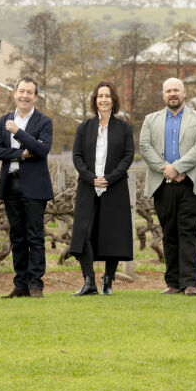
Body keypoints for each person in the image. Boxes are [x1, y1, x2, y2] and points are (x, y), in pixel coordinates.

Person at [139, 78, 196, 296]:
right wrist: (166, 170)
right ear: (163, 94)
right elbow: (145, 146)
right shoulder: (151, 120)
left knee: (188, 233)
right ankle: (172, 282)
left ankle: (189, 283)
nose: (172, 94)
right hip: (163, 185)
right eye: (168, 90)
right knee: (169, 233)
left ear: (184, 93)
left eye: (176, 90)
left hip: (190, 184)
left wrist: (178, 168)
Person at [0, 77, 53, 298]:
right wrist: (22, 153)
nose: (25, 96)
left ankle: (36, 285)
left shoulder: (44, 122)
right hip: (11, 184)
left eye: (30, 92)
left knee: (35, 236)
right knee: (17, 237)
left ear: (35, 97)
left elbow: (43, 150)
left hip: (35, 187)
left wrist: (18, 132)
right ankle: (20, 285)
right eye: (21, 91)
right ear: (15, 93)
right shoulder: (3, 120)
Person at [68, 81, 134, 295]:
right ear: (94, 100)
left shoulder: (123, 127)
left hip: (114, 187)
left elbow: (128, 156)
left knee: (113, 233)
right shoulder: (84, 127)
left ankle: (108, 281)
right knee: (83, 231)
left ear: (113, 100)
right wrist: (90, 177)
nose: (103, 100)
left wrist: (109, 178)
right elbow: (77, 156)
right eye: (100, 96)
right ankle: (89, 282)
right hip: (88, 186)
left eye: (107, 96)